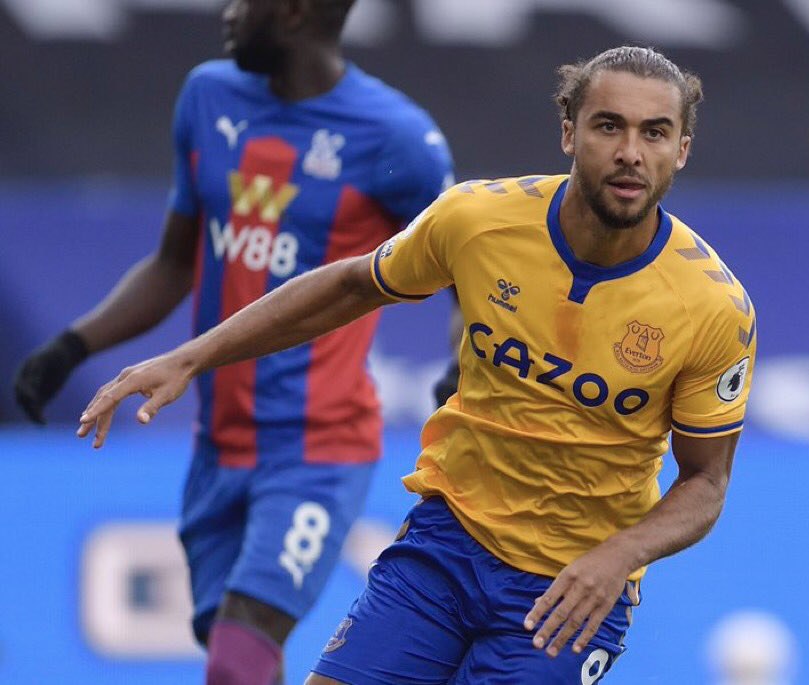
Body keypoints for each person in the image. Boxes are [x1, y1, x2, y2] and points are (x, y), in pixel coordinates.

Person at [78, 46, 757, 684]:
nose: (631, 152)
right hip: (444, 546)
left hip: (571, 589)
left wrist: (619, 556)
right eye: (609, 126)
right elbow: (349, 286)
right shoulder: (476, 221)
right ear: (568, 133)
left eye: (655, 133)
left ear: (681, 149)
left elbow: (704, 482)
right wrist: (189, 358)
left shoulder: (711, 308)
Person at [16, 0, 453, 682]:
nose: (226, 13)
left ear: (294, 12)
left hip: (319, 446)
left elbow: (468, 275)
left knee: (238, 650)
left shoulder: (396, 138)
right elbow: (174, 262)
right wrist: (71, 347)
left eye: (244, 1)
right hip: (217, 447)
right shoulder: (208, 96)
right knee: (241, 660)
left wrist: (462, 375)